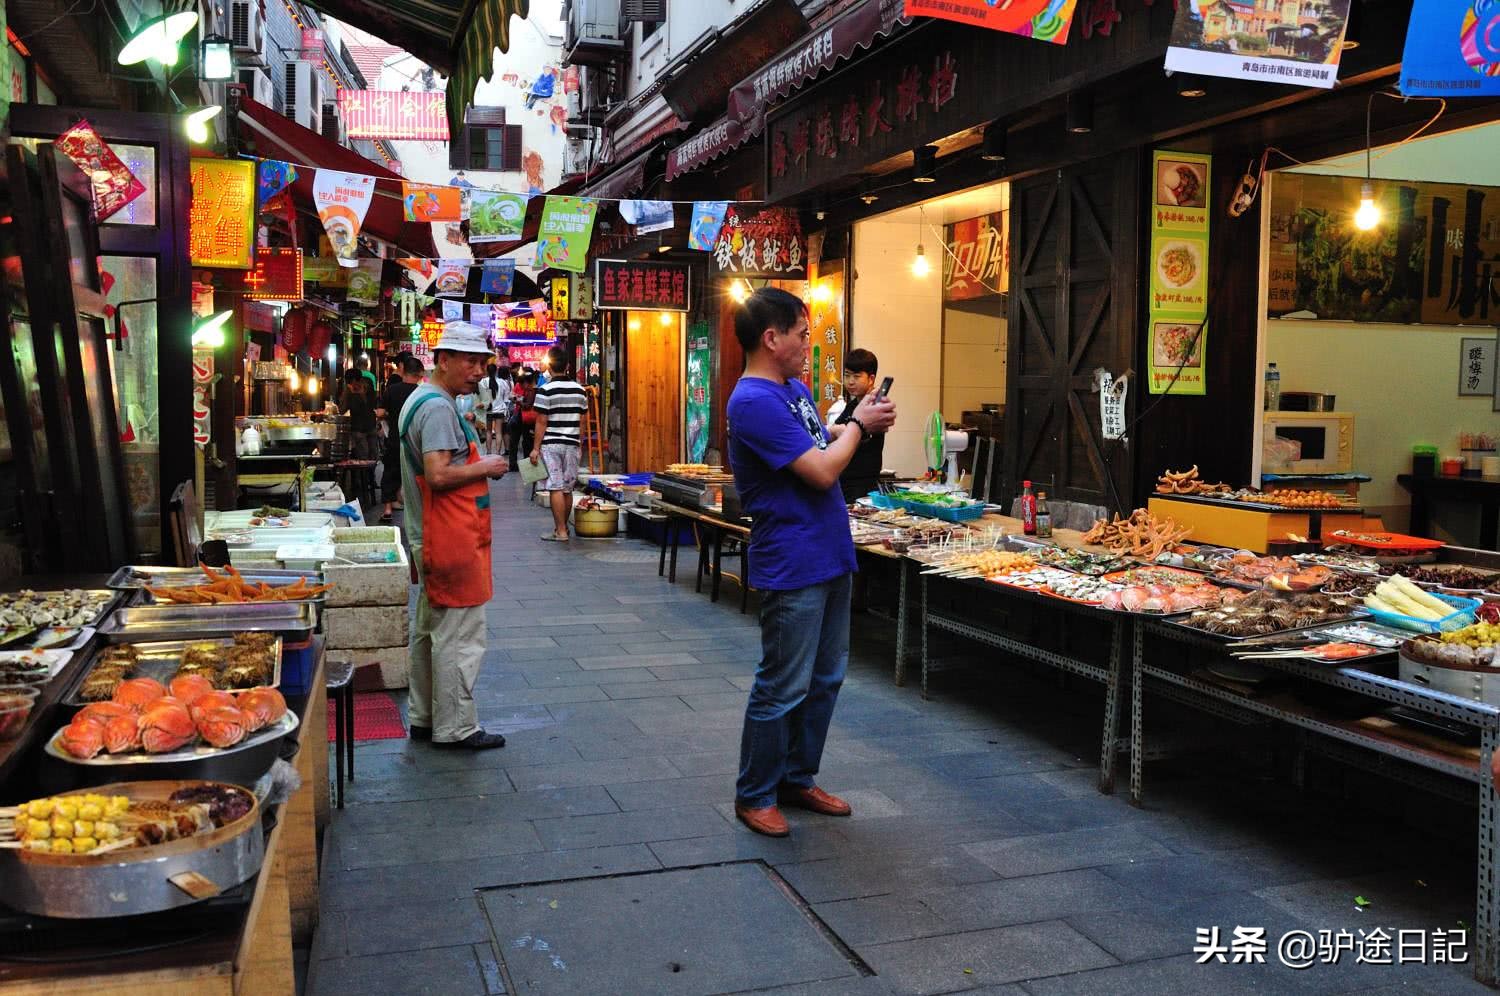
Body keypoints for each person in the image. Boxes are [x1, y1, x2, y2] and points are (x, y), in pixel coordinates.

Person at [726, 287, 896, 837]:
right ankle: (755, 793)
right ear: (771, 338)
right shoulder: (752, 400)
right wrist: (859, 426)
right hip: (792, 559)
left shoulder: (794, 390)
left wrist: (851, 427)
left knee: (824, 679)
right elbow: (822, 471)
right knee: (783, 683)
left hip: (828, 553)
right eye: (801, 335)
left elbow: (822, 447)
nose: (808, 344)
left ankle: (796, 778)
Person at [399, 321, 509, 750]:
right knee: (459, 635)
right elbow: (439, 474)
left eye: (483, 363)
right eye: (471, 362)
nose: (479, 371)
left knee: (430, 629)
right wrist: (487, 466)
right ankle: (456, 727)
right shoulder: (438, 409)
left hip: (436, 533)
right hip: (449, 535)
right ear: (442, 360)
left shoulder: (423, 399)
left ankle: (425, 717)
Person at [530, 347, 588, 542]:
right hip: (572, 444)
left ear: (549, 367)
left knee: (555, 486)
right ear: (567, 366)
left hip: (551, 444)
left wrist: (535, 448)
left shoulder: (545, 390)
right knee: (567, 488)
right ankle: (563, 529)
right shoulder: (580, 390)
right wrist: (579, 443)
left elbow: (541, 421)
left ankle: (561, 530)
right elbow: (582, 422)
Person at [824, 349, 886, 504]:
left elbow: (850, 435)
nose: (850, 381)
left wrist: (837, 432)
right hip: (844, 481)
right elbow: (836, 431)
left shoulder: (875, 406)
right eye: (847, 375)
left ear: (871, 379)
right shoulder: (852, 405)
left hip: (862, 485)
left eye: (856, 376)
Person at [380, 354, 424, 524]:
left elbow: (381, 412)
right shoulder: (420, 392)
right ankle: (416, 512)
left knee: (390, 471)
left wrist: (389, 415)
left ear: (403, 370)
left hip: (394, 438)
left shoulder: (392, 390)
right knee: (415, 474)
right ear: (420, 373)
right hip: (415, 441)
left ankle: (387, 509)